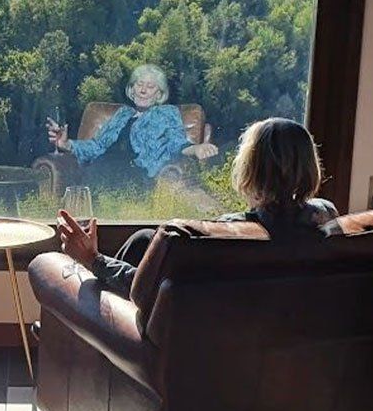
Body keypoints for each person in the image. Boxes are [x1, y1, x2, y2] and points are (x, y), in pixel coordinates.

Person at [57, 117, 338, 298]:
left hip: (197, 346)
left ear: (248, 168)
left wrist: (93, 259)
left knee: (143, 245)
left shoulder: (225, 235)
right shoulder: (325, 218)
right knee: (144, 239)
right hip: (283, 342)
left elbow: (144, 291)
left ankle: (76, 331)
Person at [44, 63, 217, 187]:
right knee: (89, 183)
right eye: (139, 85)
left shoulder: (166, 113)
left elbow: (175, 143)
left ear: (159, 94)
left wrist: (195, 148)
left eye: (150, 87)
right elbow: (97, 146)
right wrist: (66, 144)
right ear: (132, 89)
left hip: (135, 171)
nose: (142, 90)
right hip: (102, 167)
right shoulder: (122, 114)